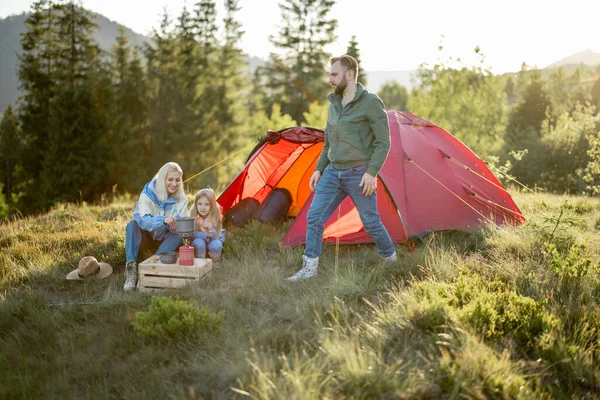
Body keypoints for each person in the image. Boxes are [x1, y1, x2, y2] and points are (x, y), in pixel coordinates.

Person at [286, 55, 397, 281]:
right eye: (330, 75)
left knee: (371, 222)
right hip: (332, 172)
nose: (330, 79)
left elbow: (383, 142)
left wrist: (371, 173)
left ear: (349, 74)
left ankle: (390, 259)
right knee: (314, 218)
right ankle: (309, 269)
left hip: (359, 174)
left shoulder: (371, 102)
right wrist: (319, 169)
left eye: (334, 74)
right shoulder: (334, 104)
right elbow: (328, 142)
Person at [123, 162, 189, 290]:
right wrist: (163, 220)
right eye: (170, 179)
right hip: (145, 238)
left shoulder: (182, 199)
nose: (174, 184)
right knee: (132, 225)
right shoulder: (147, 194)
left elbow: (182, 221)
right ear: (162, 179)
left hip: (164, 241)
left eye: (177, 180)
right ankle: (131, 269)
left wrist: (174, 226)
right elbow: (142, 220)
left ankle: (154, 264)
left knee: (178, 234)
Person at [190, 188, 226, 260]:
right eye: (200, 204)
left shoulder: (214, 216)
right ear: (196, 205)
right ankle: (201, 259)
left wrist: (210, 227)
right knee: (199, 243)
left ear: (212, 205)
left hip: (213, 240)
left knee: (216, 244)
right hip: (199, 240)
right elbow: (192, 235)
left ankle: (214, 260)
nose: (203, 208)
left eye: (206, 204)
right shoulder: (195, 218)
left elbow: (216, 237)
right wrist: (205, 235)